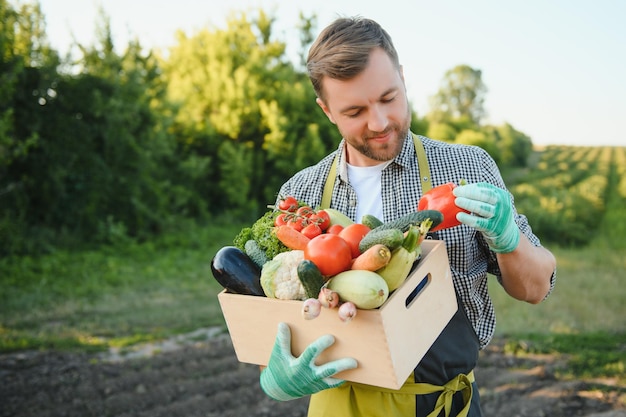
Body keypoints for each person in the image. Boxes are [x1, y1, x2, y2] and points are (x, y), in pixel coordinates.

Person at [259, 16, 557, 417]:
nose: (379, 122)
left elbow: (535, 288)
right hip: (339, 405)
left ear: (402, 77)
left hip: (444, 404)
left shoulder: (467, 168)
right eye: (355, 111)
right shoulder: (300, 199)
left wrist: (508, 238)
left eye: (388, 98)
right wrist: (274, 374)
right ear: (327, 110)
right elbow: (277, 325)